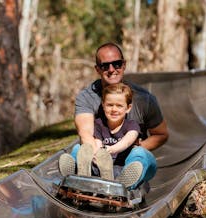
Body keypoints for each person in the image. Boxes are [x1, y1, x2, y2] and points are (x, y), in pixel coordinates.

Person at [59, 42, 169, 190]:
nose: (112, 70)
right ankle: (76, 175)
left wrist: (132, 147)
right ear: (98, 69)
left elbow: (161, 134)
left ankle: (125, 183)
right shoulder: (87, 97)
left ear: (123, 65)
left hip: (129, 158)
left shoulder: (144, 99)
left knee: (141, 154)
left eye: (116, 64)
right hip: (99, 159)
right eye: (105, 66)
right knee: (79, 149)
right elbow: (85, 133)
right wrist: (101, 156)